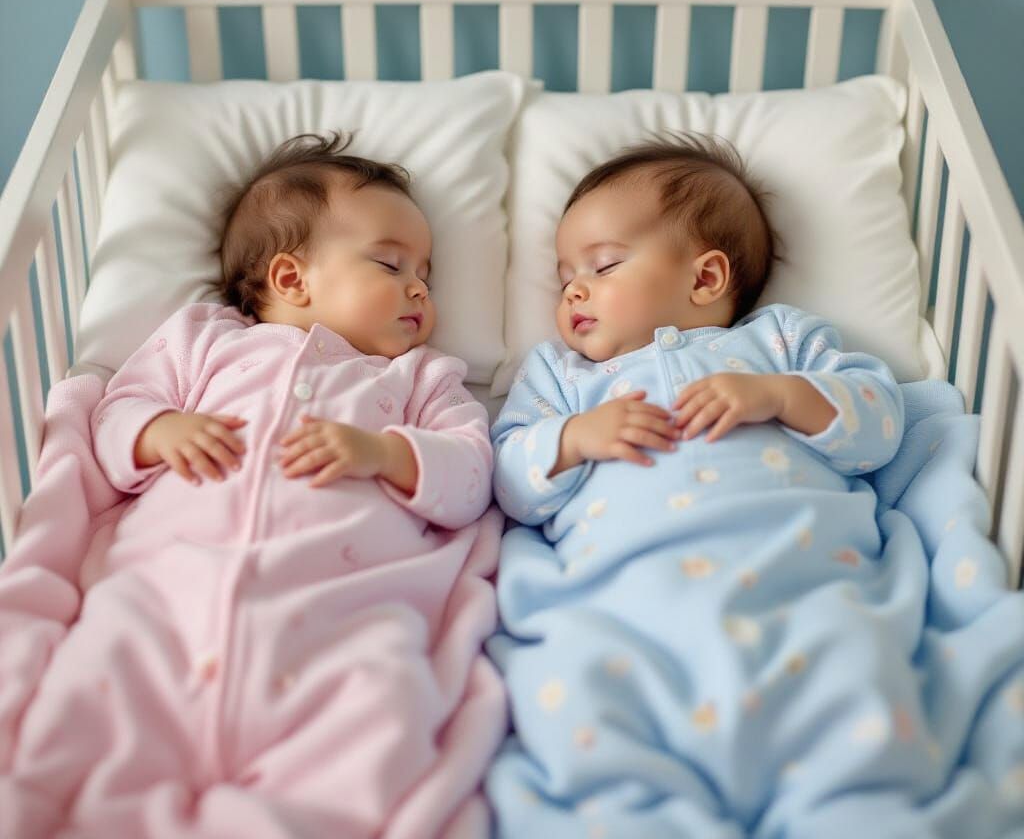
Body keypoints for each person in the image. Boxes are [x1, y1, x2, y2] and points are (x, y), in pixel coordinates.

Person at [2, 132, 503, 839]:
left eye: (426, 271)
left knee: (379, 720)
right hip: (167, 597)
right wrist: (156, 431)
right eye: (391, 263)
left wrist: (386, 454)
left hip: (340, 616)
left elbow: (473, 473)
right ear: (292, 279)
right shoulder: (204, 339)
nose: (420, 286)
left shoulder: (420, 379)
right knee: (86, 713)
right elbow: (119, 410)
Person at [488, 131, 912, 837]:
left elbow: (881, 421)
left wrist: (778, 396)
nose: (574, 291)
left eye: (604, 264)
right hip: (629, 599)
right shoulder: (564, 377)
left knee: (846, 692)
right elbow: (508, 480)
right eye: (566, 278)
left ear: (706, 278)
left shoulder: (777, 343)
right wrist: (574, 438)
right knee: (589, 704)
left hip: (793, 581)